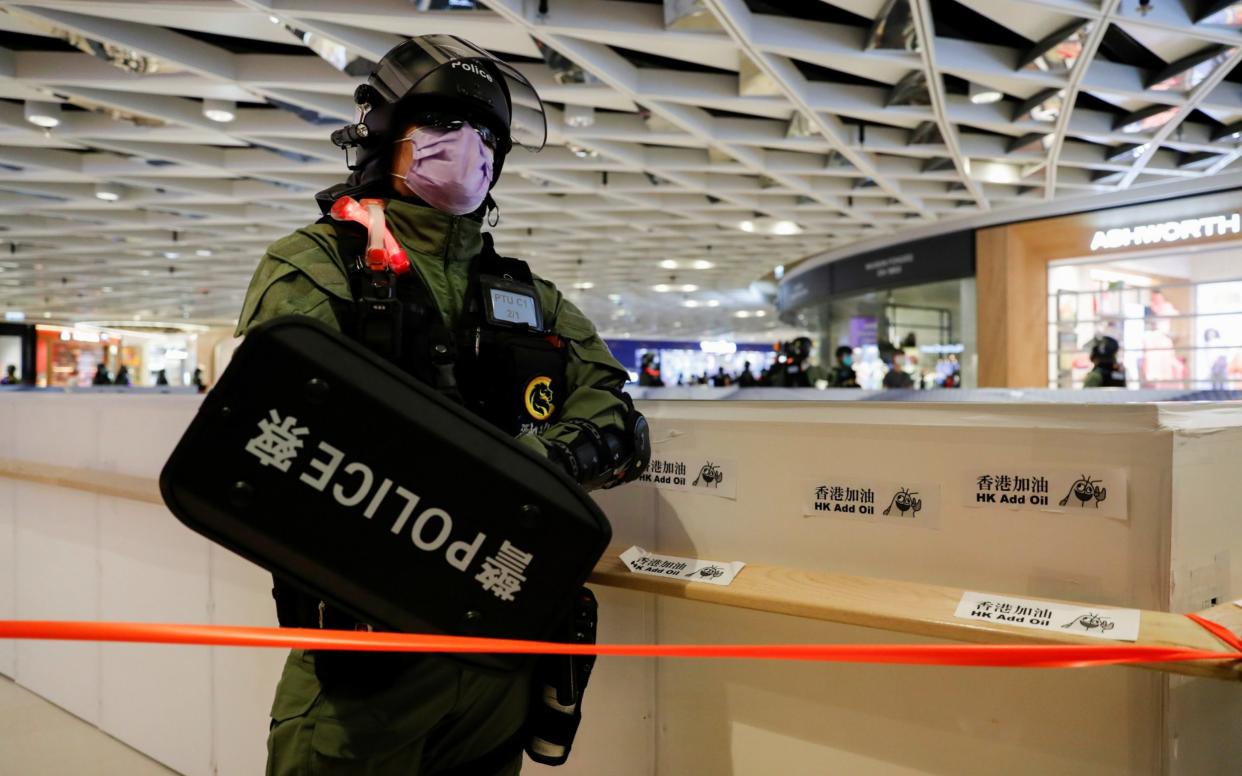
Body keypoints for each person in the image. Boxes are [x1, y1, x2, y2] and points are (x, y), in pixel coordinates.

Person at [234, 35, 644, 776]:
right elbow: (279, 426)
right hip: (367, 672)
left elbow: (616, 415)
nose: (469, 148)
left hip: (499, 667)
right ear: (384, 134)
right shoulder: (318, 266)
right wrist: (488, 489)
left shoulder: (526, 296)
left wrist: (530, 465)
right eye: (442, 125)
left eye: (487, 135)